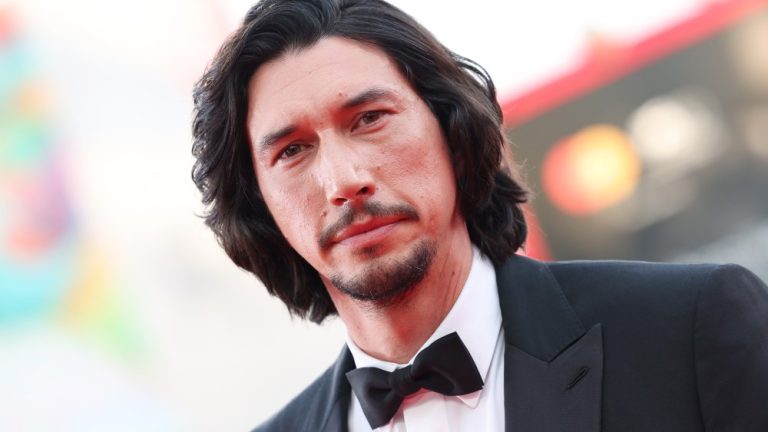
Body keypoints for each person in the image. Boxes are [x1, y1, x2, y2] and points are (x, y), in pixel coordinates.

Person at [191, 0, 768, 430]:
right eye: (291, 151)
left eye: (369, 118)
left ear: (452, 129)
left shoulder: (688, 327)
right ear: (260, 208)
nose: (342, 181)